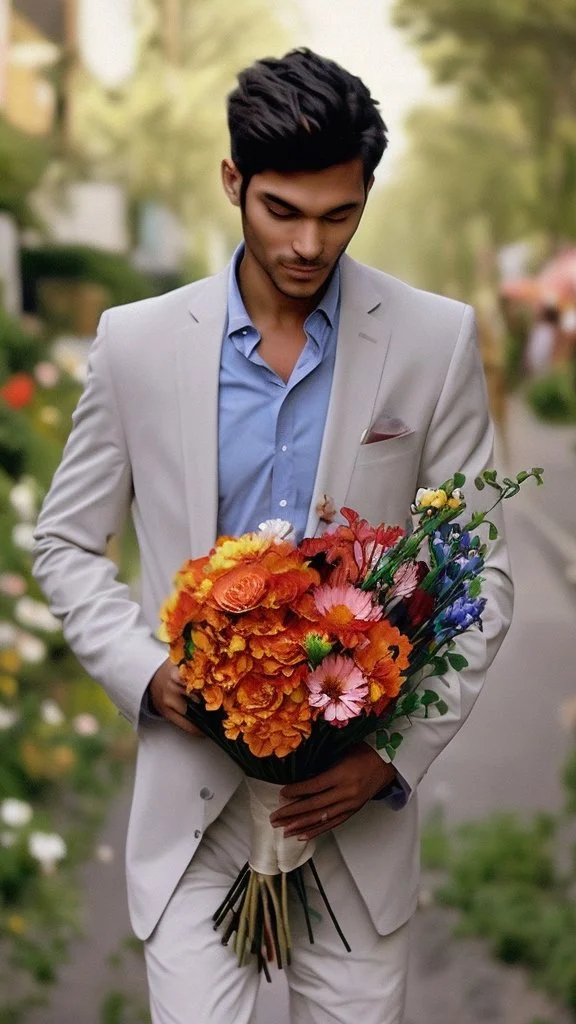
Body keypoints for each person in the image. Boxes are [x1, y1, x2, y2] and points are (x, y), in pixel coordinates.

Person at [32, 48, 513, 1024]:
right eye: (281, 211)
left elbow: (487, 571)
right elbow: (68, 542)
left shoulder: (433, 340)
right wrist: (147, 673)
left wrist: (395, 757)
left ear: (367, 193)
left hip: (351, 819)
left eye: (338, 214)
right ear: (232, 183)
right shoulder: (136, 342)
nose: (308, 243)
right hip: (195, 808)